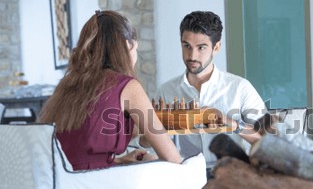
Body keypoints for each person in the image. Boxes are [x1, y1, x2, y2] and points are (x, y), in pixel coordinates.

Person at [39, 10, 182, 170]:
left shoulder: (68, 84)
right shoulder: (127, 86)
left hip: (65, 183)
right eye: (136, 48)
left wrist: (119, 161)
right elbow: (172, 158)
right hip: (99, 186)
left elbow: (77, 154)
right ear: (129, 45)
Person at [148, 11, 266, 166]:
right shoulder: (165, 91)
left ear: (216, 47)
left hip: (232, 177)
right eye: (186, 46)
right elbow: (149, 146)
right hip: (185, 179)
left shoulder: (240, 88)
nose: (192, 56)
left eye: (201, 48)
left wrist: (235, 125)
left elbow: (268, 143)